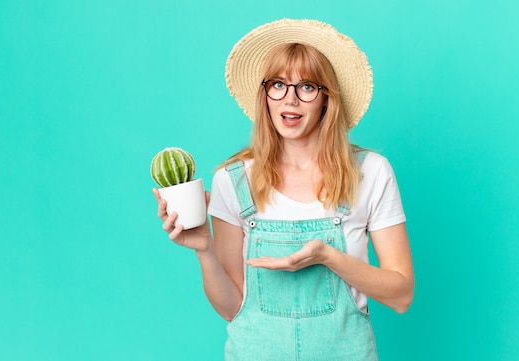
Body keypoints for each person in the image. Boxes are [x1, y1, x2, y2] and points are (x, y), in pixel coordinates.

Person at [153, 19, 414, 360]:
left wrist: (328, 257)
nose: (289, 99)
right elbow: (232, 308)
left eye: (306, 87)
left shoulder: (370, 173)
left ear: (326, 99)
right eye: (278, 85)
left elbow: (401, 295)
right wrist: (204, 249)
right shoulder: (233, 181)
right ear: (265, 96)